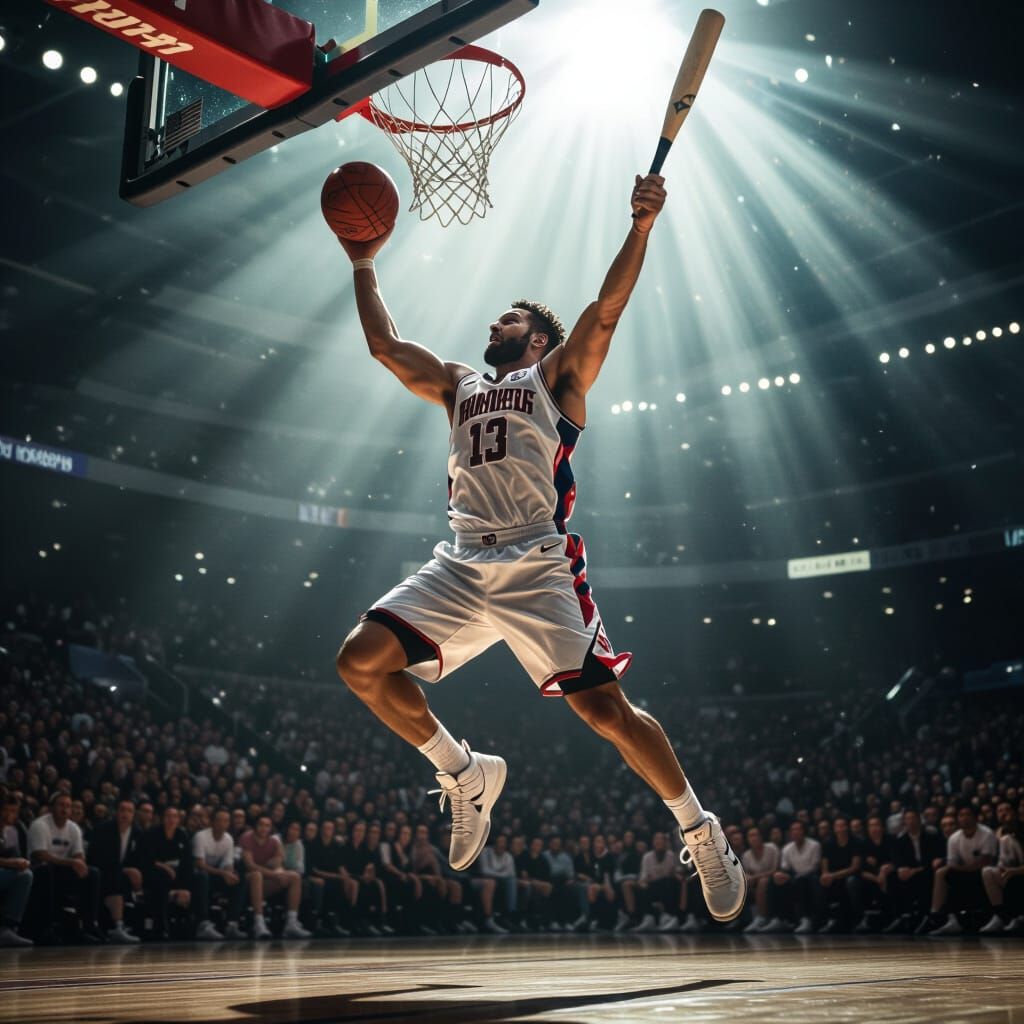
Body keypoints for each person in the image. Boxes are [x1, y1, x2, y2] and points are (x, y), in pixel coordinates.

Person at [333, 173, 745, 925]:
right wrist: (362, 260)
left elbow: (608, 311)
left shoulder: (558, 377)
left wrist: (642, 228)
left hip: (534, 562)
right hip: (461, 561)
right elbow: (384, 345)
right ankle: (464, 774)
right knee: (360, 661)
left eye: (509, 319)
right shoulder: (458, 383)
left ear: (538, 337)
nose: (493, 325)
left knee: (608, 714)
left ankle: (698, 827)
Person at [27, 791, 102, 943]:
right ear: (51, 807)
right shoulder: (40, 825)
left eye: (68, 806)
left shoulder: (74, 828)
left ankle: (88, 926)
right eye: (61, 805)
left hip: (62, 870)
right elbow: (40, 856)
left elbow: (79, 855)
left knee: (92, 873)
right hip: (40, 871)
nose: (65, 809)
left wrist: (79, 863)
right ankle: (46, 928)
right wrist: (72, 863)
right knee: (46, 871)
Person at [239, 814, 311, 939]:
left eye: (267, 826)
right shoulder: (247, 838)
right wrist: (274, 873)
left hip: (265, 883)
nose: (264, 828)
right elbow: (250, 865)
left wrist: (280, 873)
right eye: (261, 824)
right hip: (245, 883)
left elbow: (278, 864)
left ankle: (291, 923)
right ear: (256, 826)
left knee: (294, 876)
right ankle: (259, 923)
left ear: (270, 828)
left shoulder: (273, 842)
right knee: (257, 875)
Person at [87, 798, 143, 943]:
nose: (125, 814)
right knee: (118, 878)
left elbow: (139, 859)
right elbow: (97, 858)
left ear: (134, 814)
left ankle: (135, 925)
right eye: (122, 810)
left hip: (126, 875)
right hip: (104, 873)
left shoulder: (138, 833)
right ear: (116, 812)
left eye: (129, 811)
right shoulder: (103, 830)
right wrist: (125, 870)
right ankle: (117, 926)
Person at [192, 808, 245, 941]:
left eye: (226, 821)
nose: (222, 823)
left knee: (239, 878)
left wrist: (230, 874)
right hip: (196, 876)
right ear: (212, 822)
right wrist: (223, 873)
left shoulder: (228, 839)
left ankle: (231, 924)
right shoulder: (200, 836)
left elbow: (228, 864)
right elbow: (200, 864)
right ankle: (203, 925)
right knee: (202, 876)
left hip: (215, 875)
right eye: (219, 820)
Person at [0, 795, 33, 946]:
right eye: (5, 810)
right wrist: (10, 863)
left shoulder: (14, 830)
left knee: (26, 874)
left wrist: (20, 862)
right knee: (24, 877)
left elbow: (19, 856)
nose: (9, 814)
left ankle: (9, 928)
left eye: (13, 810)